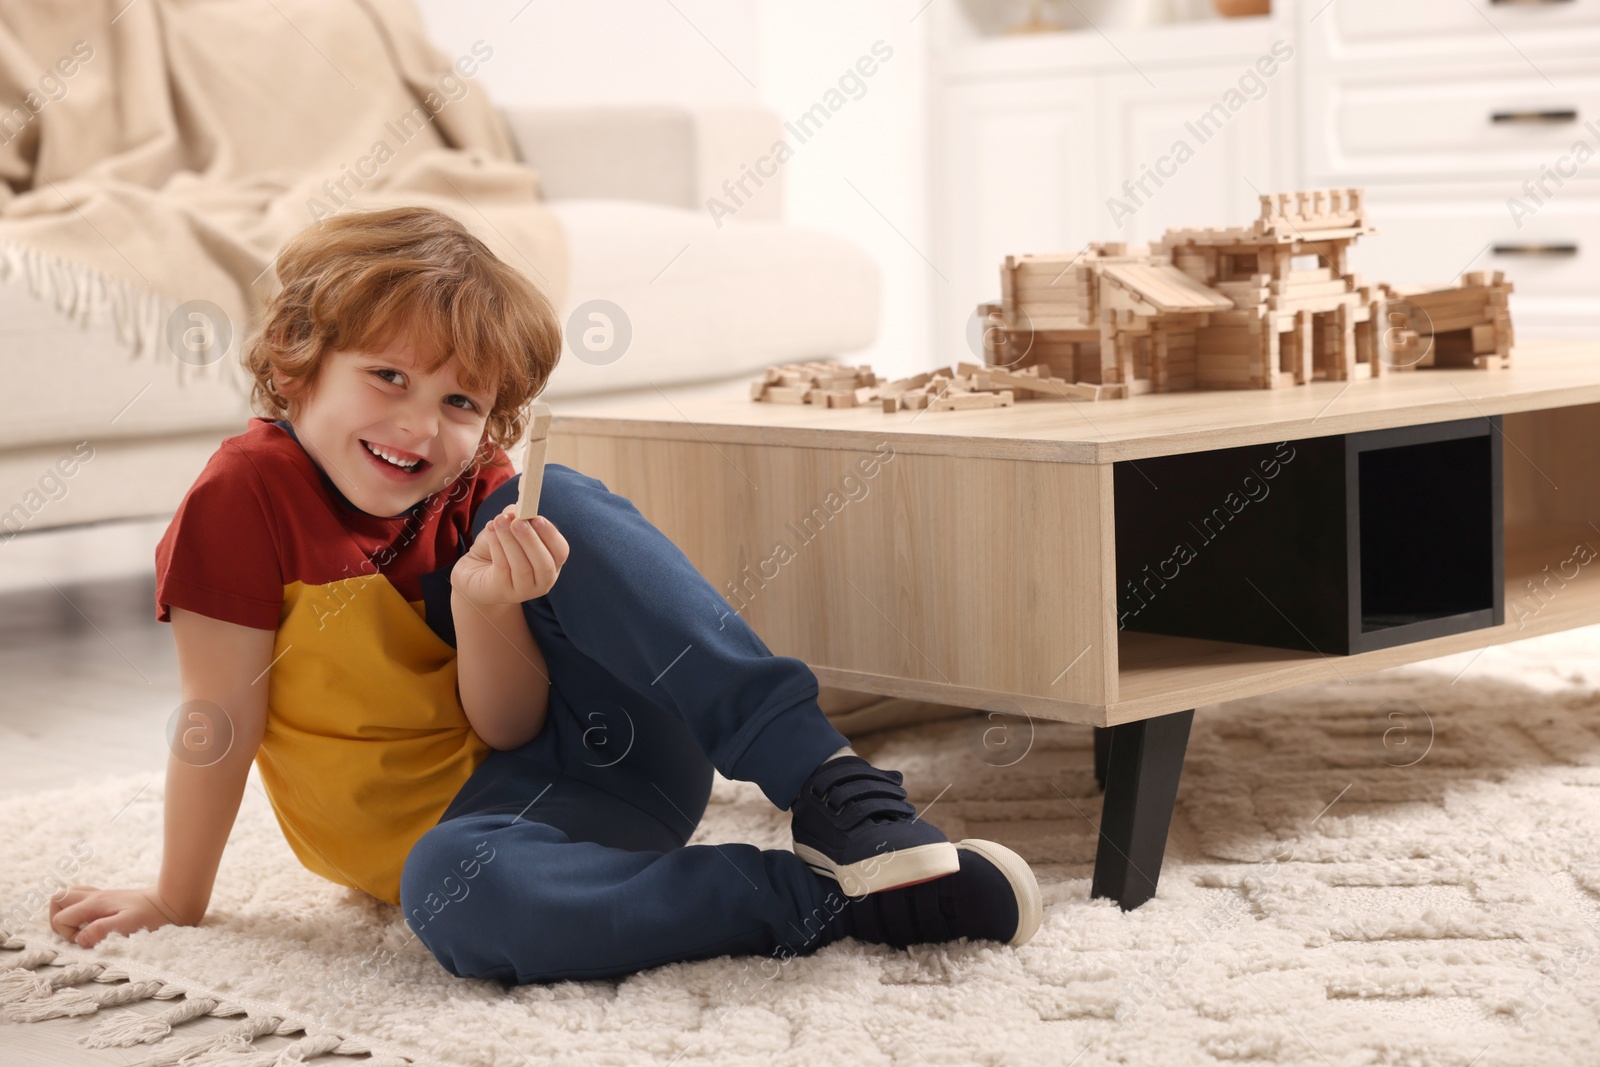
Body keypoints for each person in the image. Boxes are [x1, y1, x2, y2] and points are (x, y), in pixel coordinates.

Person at [47, 205, 1041, 983]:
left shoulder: (473, 488)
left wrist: (488, 603)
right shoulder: (243, 495)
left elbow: (513, 717)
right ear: (293, 365)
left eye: (459, 401)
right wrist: (178, 895)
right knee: (453, 898)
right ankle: (837, 901)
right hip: (505, 836)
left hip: (620, 754)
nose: (418, 424)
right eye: (386, 374)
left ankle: (835, 787)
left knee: (553, 498)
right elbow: (219, 715)